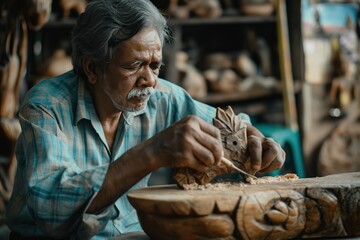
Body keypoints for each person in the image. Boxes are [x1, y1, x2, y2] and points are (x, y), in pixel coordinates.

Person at [6, 0, 285, 238]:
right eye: (133, 66)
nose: (150, 80)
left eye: (155, 65)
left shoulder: (162, 97)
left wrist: (255, 139)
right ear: (92, 68)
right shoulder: (47, 105)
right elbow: (51, 207)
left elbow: (228, 126)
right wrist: (153, 152)